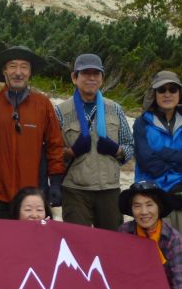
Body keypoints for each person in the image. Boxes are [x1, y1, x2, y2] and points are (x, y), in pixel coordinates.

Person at [0, 45, 66, 219]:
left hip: (32, 200)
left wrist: (56, 183)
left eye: (24, 67)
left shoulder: (43, 105)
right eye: (12, 66)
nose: (18, 72)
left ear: (30, 72)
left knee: (31, 246)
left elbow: (55, 146)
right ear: (4, 71)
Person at [132, 70, 182, 289]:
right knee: (153, 254)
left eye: (172, 89)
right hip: (154, 200)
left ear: (180, 93)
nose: (167, 94)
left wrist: (163, 153)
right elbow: (147, 161)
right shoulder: (141, 123)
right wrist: (178, 157)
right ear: (153, 94)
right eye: (161, 90)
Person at [53, 53, 134, 230]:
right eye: (85, 73)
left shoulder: (115, 109)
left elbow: (130, 145)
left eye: (96, 73)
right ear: (75, 77)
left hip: (109, 190)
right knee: (76, 245)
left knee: (111, 245)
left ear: (102, 79)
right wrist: (70, 152)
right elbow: (51, 152)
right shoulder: (60, 112)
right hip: (75, 191)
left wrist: (117, 150)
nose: (91, 78)